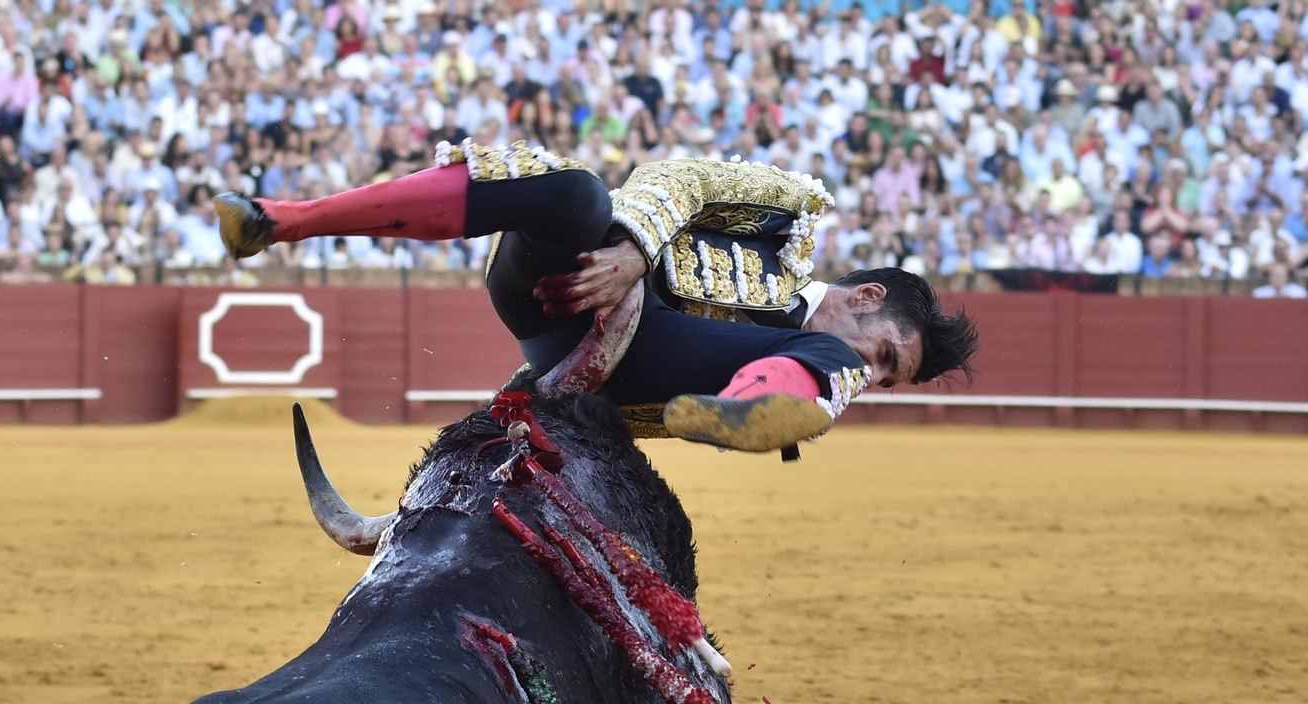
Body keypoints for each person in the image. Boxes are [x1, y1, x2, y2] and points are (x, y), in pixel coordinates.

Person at [215, 143, 976, 454]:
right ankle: (281, 220)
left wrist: (559, 407)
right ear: (869, 294)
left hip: (605, 371)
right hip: (561, 295)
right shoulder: (789, 218)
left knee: (810, 364)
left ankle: (735, 419)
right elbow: (682, 177)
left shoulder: (797, 361)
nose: (871, 375)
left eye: (882, 380)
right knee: (578, 193)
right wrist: (633, 252)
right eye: (882, 357)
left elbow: (646, 413)